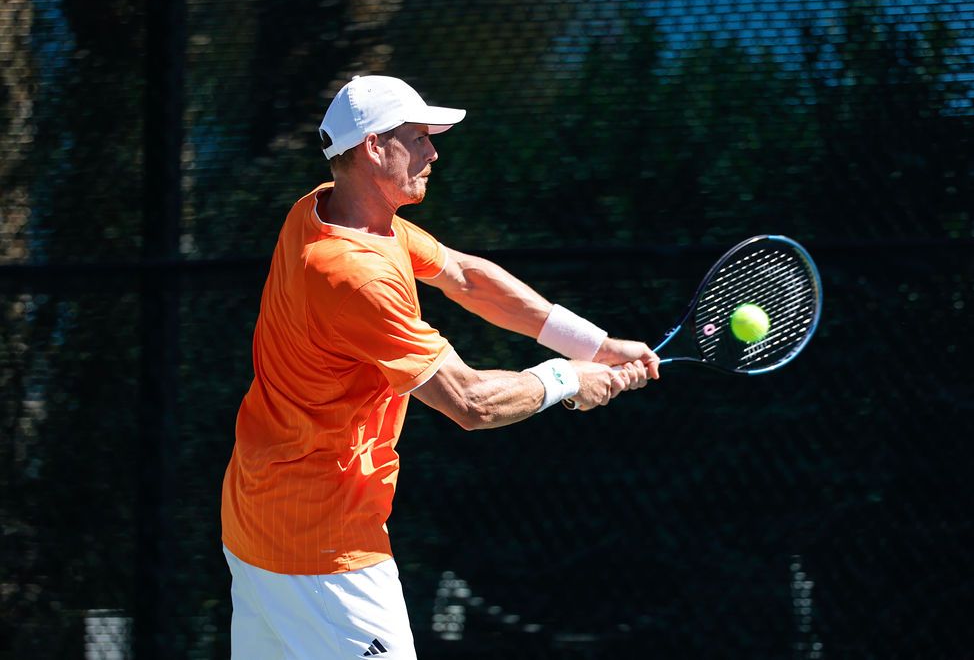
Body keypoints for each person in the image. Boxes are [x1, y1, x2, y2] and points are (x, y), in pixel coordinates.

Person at [221, 75, 660, 659]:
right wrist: (568, 379)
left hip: (256, 520)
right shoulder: (354, 276)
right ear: (374, 147)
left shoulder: (327, 210)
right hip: (323, 551)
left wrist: (595, 346)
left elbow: (465, 277)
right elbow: (470, 402)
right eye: (418, 138)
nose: (433, 153)